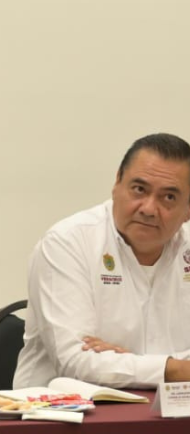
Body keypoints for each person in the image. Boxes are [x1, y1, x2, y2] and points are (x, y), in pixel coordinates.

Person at [15, 133, 190, 388]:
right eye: (139, 190)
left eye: (169, 197)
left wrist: (130, 363)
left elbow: (99, 364)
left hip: (171, 407)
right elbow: (75, 362)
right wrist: (175, 369)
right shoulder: (67, 242)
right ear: (116, 183)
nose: (149, 209)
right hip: (68, 409)